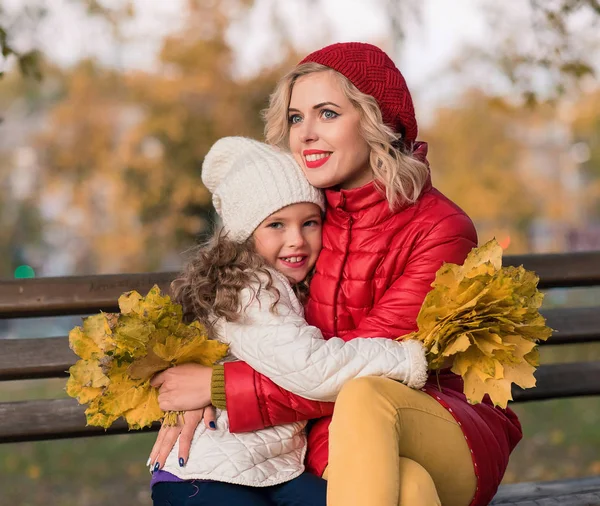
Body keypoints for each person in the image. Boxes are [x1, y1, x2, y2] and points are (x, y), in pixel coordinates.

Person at [151, 42, 523, 506]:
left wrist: (221, 387)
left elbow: (371, 368)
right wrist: (201, 394)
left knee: (367, 394)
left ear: (376, 122)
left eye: (327, 114)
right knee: (406, 489)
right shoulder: (302, 218)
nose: (305, 133)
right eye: (295, 118)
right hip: (328, 439)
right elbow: (257, 327)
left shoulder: (439, 229)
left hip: (441, 423)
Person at [149, 136, 429, 506]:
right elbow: (311, 368)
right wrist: (404, 359)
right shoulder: (247, 289)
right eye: (276, 225)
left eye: (309, 222)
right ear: (244, 236)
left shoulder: (291, 285)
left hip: (274, 470)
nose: (296, 240)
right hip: (207, 473)